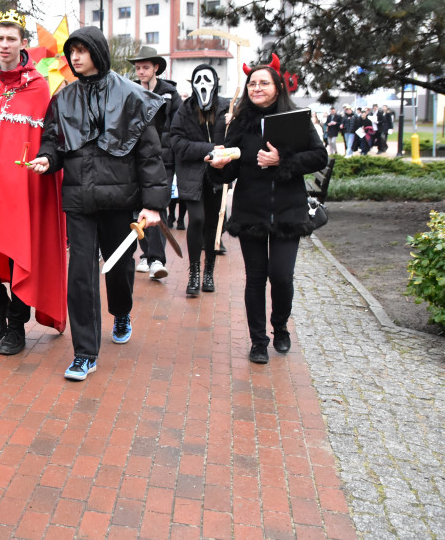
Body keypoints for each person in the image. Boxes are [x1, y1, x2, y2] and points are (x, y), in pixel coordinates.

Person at [28, 26, 168, 381]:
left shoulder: (132, 96)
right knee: (81, 277)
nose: (75, 57)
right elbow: (53, 142)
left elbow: (150, 156)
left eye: (82, 50)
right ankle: (85, 353)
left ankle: (122, 312)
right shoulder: (62, 99)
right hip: (78, 200)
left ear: (98, 52)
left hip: (120, 200)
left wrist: (153, 205)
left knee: (119, 271)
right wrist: (47, 159)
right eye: (71, 50)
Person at [206, 56, 328, 365]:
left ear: (277, 87)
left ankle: (280, 325)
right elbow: (230, 167)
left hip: (288, 211)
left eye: (263, 83)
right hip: (251, 211)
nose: (256, 88)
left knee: (282, 276)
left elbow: (319, 156)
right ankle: (258, 341)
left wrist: (282, 162)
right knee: (256, 278)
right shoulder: (240, 122)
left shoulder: (294, 118)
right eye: (252, 83)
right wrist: (219, 166)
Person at [0, 9, 67, 355]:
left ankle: (17, 323)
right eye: (0, 38)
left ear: (24, 43)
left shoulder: (39, 88)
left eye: (12, 39)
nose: (4, 45)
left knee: (18, 248)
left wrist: (48, 157)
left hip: (21, 188)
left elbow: (51, 137)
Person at [170, 65, 229, 297]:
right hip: (192, 175)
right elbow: (176, 141)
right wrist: (209, 149)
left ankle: (208, 272)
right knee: (197, 219)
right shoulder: (185, 111)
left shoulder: (227, 108)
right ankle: (194, 272)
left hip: (217, 176)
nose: (203, 84)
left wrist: (232, 126)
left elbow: (235, 140)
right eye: (198, 79)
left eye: (207, 79)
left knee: (213, 225)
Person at [128, 46, 180, 281]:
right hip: (136, 158)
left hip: (164, 160)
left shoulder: (170, 94)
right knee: (139, 206)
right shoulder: (130, 91)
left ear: (156, 67)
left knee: (157, 204)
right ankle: (146, 255)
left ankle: (157, 258)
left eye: (146, 67)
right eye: (138, 68)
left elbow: (177, 125)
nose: (141, 72)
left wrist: (163, 146)